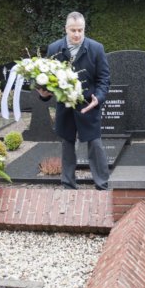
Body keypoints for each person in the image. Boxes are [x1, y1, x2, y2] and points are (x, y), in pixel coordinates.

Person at [39, 12, 110, 190]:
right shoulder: (54, 48)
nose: (77, 34)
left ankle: (102, 183)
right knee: (67, 142)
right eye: (73, 30)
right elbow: (47, 80)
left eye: (80, 30)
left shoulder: (96, 48)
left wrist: (98, 98)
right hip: (65, 105)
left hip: (88, 104)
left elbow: (104, 79)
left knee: (95, 143)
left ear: (84, 29)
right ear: (66, 29)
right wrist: (44, 94)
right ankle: (68, 183)